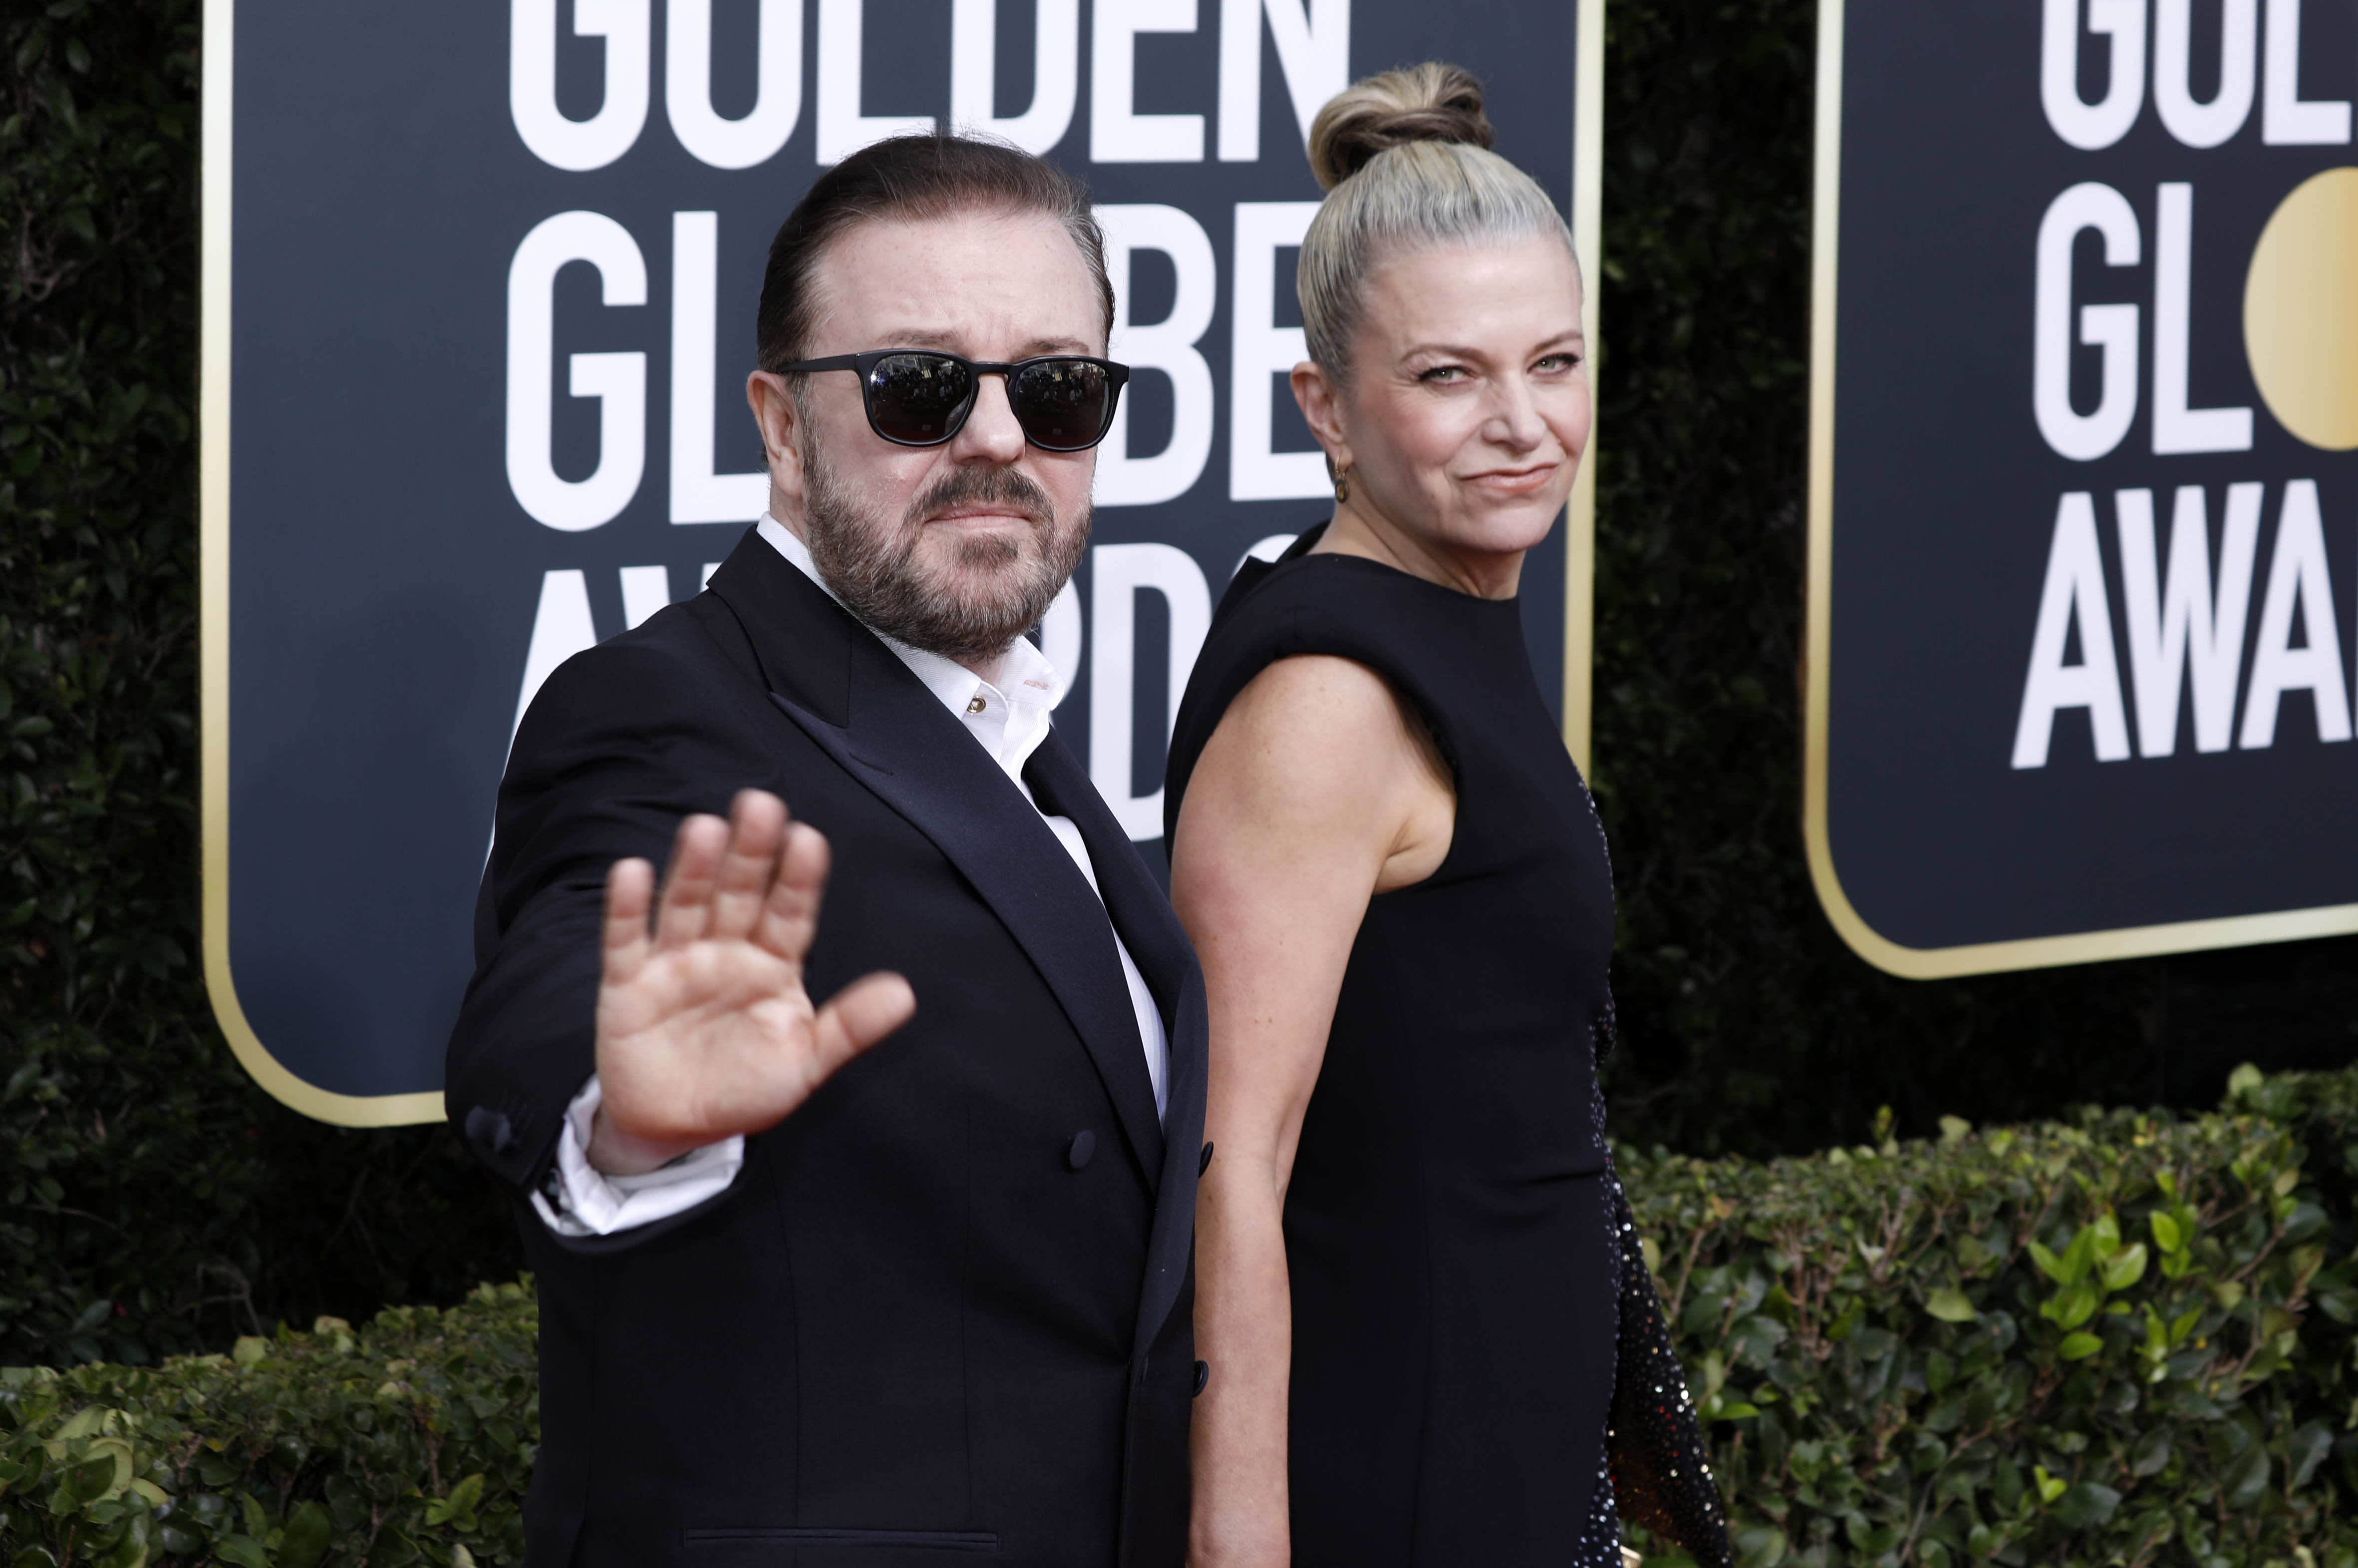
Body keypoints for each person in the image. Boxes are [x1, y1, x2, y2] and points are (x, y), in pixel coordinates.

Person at [447, 133, 1206, 1568]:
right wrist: (618, 1113)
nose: (995, 440)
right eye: (919, 389)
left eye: (1055, 390)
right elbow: (548, 986)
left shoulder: (1019, 739)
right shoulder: (668, 706)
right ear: (783, 426)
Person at [1167, 65, 1626, 1567]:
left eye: (1552, 362)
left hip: (1502, 1432)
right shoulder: (1328, 703)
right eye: (1445, 377)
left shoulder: (1442, 610)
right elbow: (1228, 1167)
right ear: (1327, 408)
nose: (1519, 425)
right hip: (1401, 1469)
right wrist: (1242, 1549)